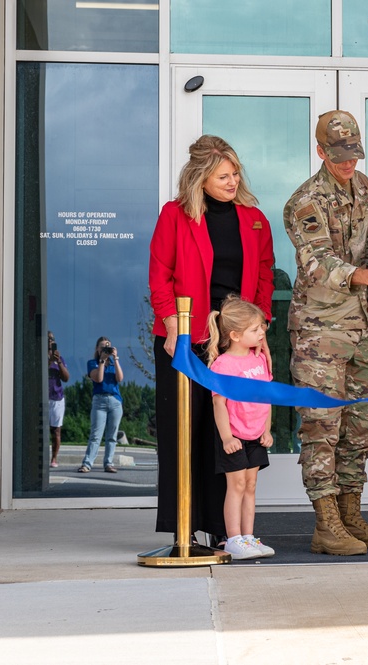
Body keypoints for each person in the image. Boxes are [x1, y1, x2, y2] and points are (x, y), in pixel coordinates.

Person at [149, 135, 275, 548]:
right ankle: (182, 527)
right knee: (185, 431)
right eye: (223, 175)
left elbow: (264, 278)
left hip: (234, 342)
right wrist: (172, 329)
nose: (232, 180)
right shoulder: (175, 215)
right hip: (185, 338)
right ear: (200, 178)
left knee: (229, 433)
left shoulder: (255, 220)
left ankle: (226, 532)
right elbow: (160, 276)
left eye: (235, 173)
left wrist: (258, 333)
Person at [283, 110, 368, 556]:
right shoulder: (304, 202)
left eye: (353, 154)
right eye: (338, 156)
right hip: (320, 329)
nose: (348, 164)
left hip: (361, 323)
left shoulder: (364, 187)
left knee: (364, 418)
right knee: (322, 423)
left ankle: (351, 514)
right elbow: (317, 262)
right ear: (320, 152)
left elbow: (367, 241)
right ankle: (325, 523)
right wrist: (364, 277)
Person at [206, 295, 275, 560]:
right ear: (235, 335)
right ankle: (233, 538)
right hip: (234, 435)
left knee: (250, 484)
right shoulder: (224, 364)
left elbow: (265, 397)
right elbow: (219, 404)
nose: (262, 334)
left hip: (256, 434)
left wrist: (266, 429)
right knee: (235, 486)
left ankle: (249, 537)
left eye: (262, 329)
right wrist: (226, 437)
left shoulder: (258, 360)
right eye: (255, 330)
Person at [77, 337, 123, 473]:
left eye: (108, 347)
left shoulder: (113, 364)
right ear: (97, 349)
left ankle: (108, 463)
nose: (105, 349)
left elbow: (120, 378)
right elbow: (99, 378)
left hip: (115, 401)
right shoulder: (92, 363)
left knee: (112, 435)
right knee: (96, 435)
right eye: (103, 347)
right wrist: (102, 361)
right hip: (99, 401)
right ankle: (87, 463)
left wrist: (115, 359)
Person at [46, 330, 69, 468]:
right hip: (43, 398)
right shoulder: (41, 356)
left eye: (52, 339)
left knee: (56, 430)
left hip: (57, 399)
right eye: (48, 339)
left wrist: (58, 361)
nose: (50, 341)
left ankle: (54, 458)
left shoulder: (60, 358)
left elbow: (66, 378)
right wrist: (49, 360)